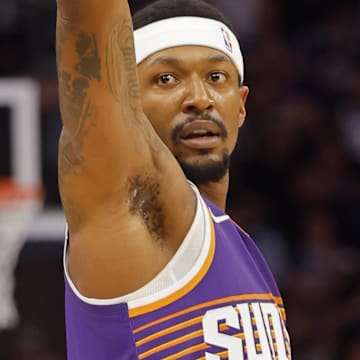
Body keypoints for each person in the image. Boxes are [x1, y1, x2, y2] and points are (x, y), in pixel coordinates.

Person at [56, 0, 291, 358]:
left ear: (241, 105)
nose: (199, 99)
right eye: (166, 79)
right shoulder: (130, 208)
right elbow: (90, 21)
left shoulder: (245, 251)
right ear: (128, 105)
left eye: (216, 78)